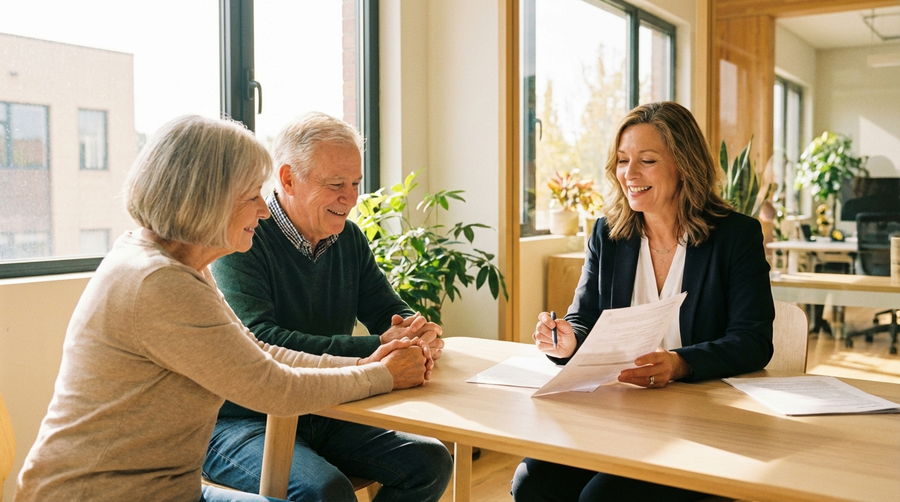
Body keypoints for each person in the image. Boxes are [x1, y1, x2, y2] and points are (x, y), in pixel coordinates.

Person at [15, 115, 434, 502]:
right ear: (207, 200)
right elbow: (273, 386)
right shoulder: (158, 280)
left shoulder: (180, 264)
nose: (264, 208)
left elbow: (259, 353)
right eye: (251, 196)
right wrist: (379, 373)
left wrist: (374, 367)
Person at [511, 101, 775, 502]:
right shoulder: (608, 235)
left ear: (683, 165)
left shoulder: (736, 236)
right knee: (531, 485)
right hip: (619, 412)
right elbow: (583, 318)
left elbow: (753, 341)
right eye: (621, 160)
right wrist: (568, 341)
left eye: (646, 160)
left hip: (700, 418)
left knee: (601, 500)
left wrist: (680, 363)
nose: (629, 175)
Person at [203, 112, 452, 502]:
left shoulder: (349, 238)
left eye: (355, 183)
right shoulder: (244, 237)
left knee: (430, 461)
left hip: (324, 405)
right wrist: (377, 349)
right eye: (336, 184)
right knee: (326, 492)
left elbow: (388, 311)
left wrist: (418, 333)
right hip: (241, 419)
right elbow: (261, 340)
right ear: (287, 179)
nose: (351, 198)